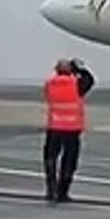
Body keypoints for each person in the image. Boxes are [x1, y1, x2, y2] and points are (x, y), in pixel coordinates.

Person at [42, 58, 94, 203]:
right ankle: (62, 192)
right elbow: (89, 80)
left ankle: (51, 190)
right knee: (69, 161)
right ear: (71, 70)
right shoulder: (76, 84)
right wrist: (79, 69)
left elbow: (47, 95)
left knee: (50, 158)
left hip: (54, 127)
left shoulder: (50, 84)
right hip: (72, 128)